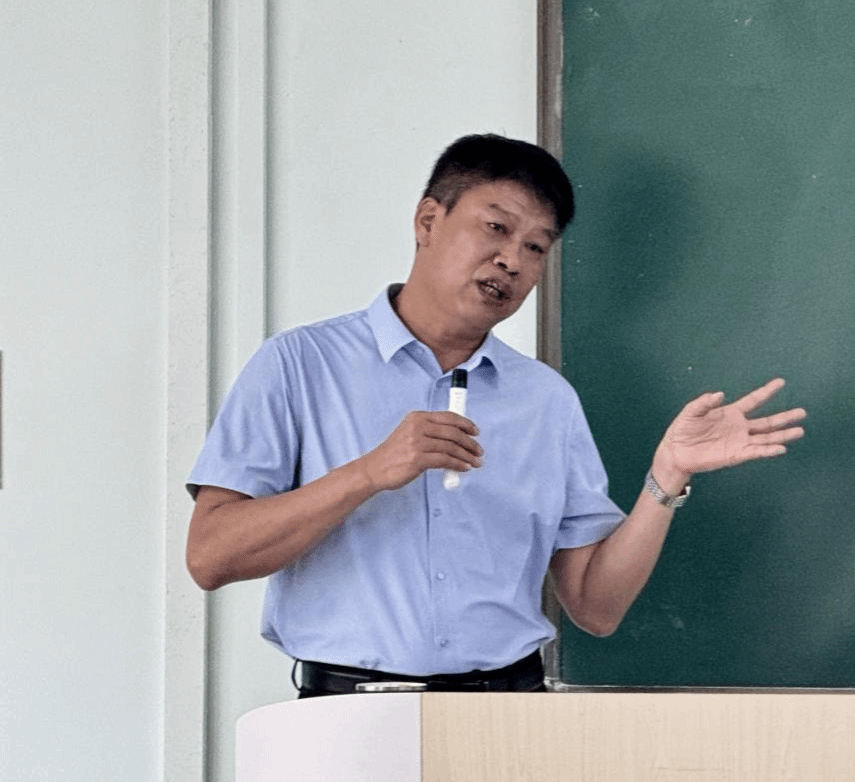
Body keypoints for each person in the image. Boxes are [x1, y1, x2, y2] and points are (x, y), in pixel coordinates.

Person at [185, 133, 806, 696]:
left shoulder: (545, 400)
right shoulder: (299, 364)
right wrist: (369, 473)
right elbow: (211, 556)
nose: (512, 260)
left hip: (507, 716)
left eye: (535, 247)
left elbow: (596, 607)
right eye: (496, 228)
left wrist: (666, 476)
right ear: (428, 221)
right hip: (348, 714)